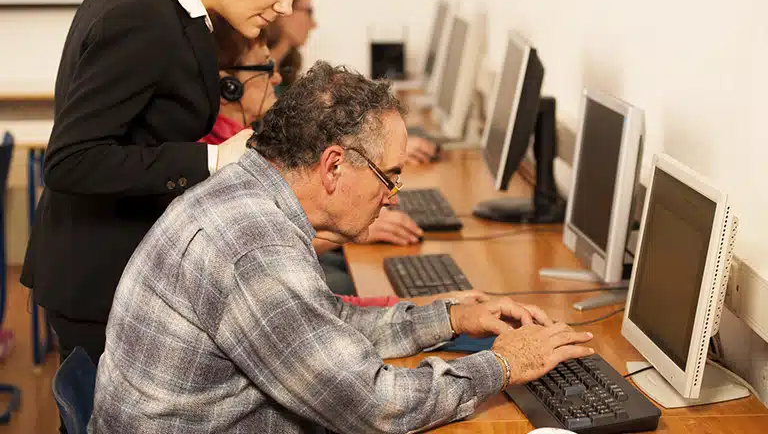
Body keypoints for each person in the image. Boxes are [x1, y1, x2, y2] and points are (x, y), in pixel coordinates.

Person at [89, 62, 594, 433]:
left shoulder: (250, 189)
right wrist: (502, 364)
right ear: (333, 166)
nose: (392, 196)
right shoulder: (253, 250)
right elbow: (375, 406)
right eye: (387, 176)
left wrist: (449, 319)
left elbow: (321, 323)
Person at [20, 0, 321, 372]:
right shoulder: (142, 11)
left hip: (123, 268)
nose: (285, 5)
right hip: (103, 278)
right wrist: (214, 159)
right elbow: (70, 161)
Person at [199, 23, 454, 299]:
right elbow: (275, 257)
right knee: (346, 280)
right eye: (264, 69)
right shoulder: (226, 158)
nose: (275, 79)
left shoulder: (248, 137)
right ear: (228, 84)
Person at [265, 0, 439, 165]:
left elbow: (310, 136)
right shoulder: (260, 83)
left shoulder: (283, 73)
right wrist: (387, 152)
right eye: (308, 12)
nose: (314, 24)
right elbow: (292, 150)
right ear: (282, 11)